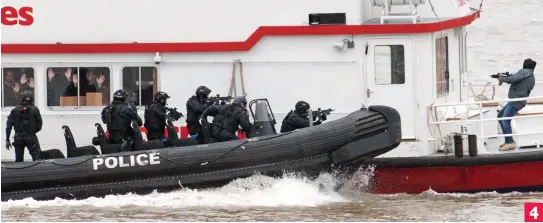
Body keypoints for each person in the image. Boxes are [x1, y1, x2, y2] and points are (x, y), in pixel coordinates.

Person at [496, 58, 536, 151]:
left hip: (516, 101)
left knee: (505, 119)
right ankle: (509, 140)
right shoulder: (531, 75)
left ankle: (509, 143)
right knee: (500, 116)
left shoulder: (524, 72)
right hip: (517, 100)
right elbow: (516, 79)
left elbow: (513, 78)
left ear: (524, 65)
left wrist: (502, 79)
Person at [5, 90, 43, 162]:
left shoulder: (15, 110)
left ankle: (18, 173)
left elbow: (8, 126)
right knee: (37, 159)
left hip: (18, 137)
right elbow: (40, 125)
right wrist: (32, 131)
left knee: (18, 160)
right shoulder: (35, 109)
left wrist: (7, 139)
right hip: (31, 137)